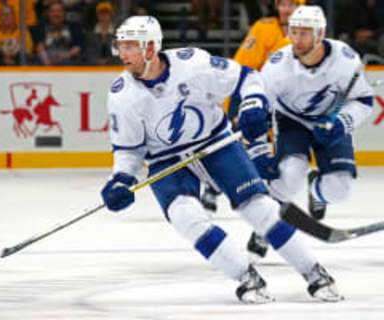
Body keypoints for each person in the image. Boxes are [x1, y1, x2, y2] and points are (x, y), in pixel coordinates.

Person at [100, 15, 343, 303]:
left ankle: (314, 272)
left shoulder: (192, 64)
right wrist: (121, 179)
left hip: (215, 142)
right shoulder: (121, 94)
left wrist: (254, 102)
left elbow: (247, 77)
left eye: (130, 46)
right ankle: (246, 276)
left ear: (150, 48)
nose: (122, 53)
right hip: (165, 160)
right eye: (121, 46)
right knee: (185, 216)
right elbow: (128, 150)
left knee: (260, 208)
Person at [250, 6, 374, 255]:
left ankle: (316, 189)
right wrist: (259, 148)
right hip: (291, 120)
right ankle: (265, 226)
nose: (296, 39)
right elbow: (259, 108)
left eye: (304, 33)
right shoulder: (278, 66)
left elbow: (364, 101)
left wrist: (342, 123)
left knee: (339, 190)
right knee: (289, 175)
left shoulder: (345, 60)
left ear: (320, 34)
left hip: (331, 121)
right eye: (293, 32)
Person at [200, 0, 305, 260]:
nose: (286, 9)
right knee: (249, 166)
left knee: (284, 175)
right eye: (282, 3)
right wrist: (238, 107)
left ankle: (263, 232)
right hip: (259, 109)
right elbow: (242, 70)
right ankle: (213, 187)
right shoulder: (264, 28)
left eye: (292, 4)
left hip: (290, 116)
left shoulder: (312, 35)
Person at [35, 1, 84, 66]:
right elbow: (39, 46)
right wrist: (47, 62)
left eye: (59, 11)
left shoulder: (73, 27)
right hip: (47, 63)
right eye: (53, 11)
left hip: (68, 63)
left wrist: (66, 55)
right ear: (48, 14)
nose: (56, 14)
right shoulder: (42, 27)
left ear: (64, 13)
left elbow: (79, 46)